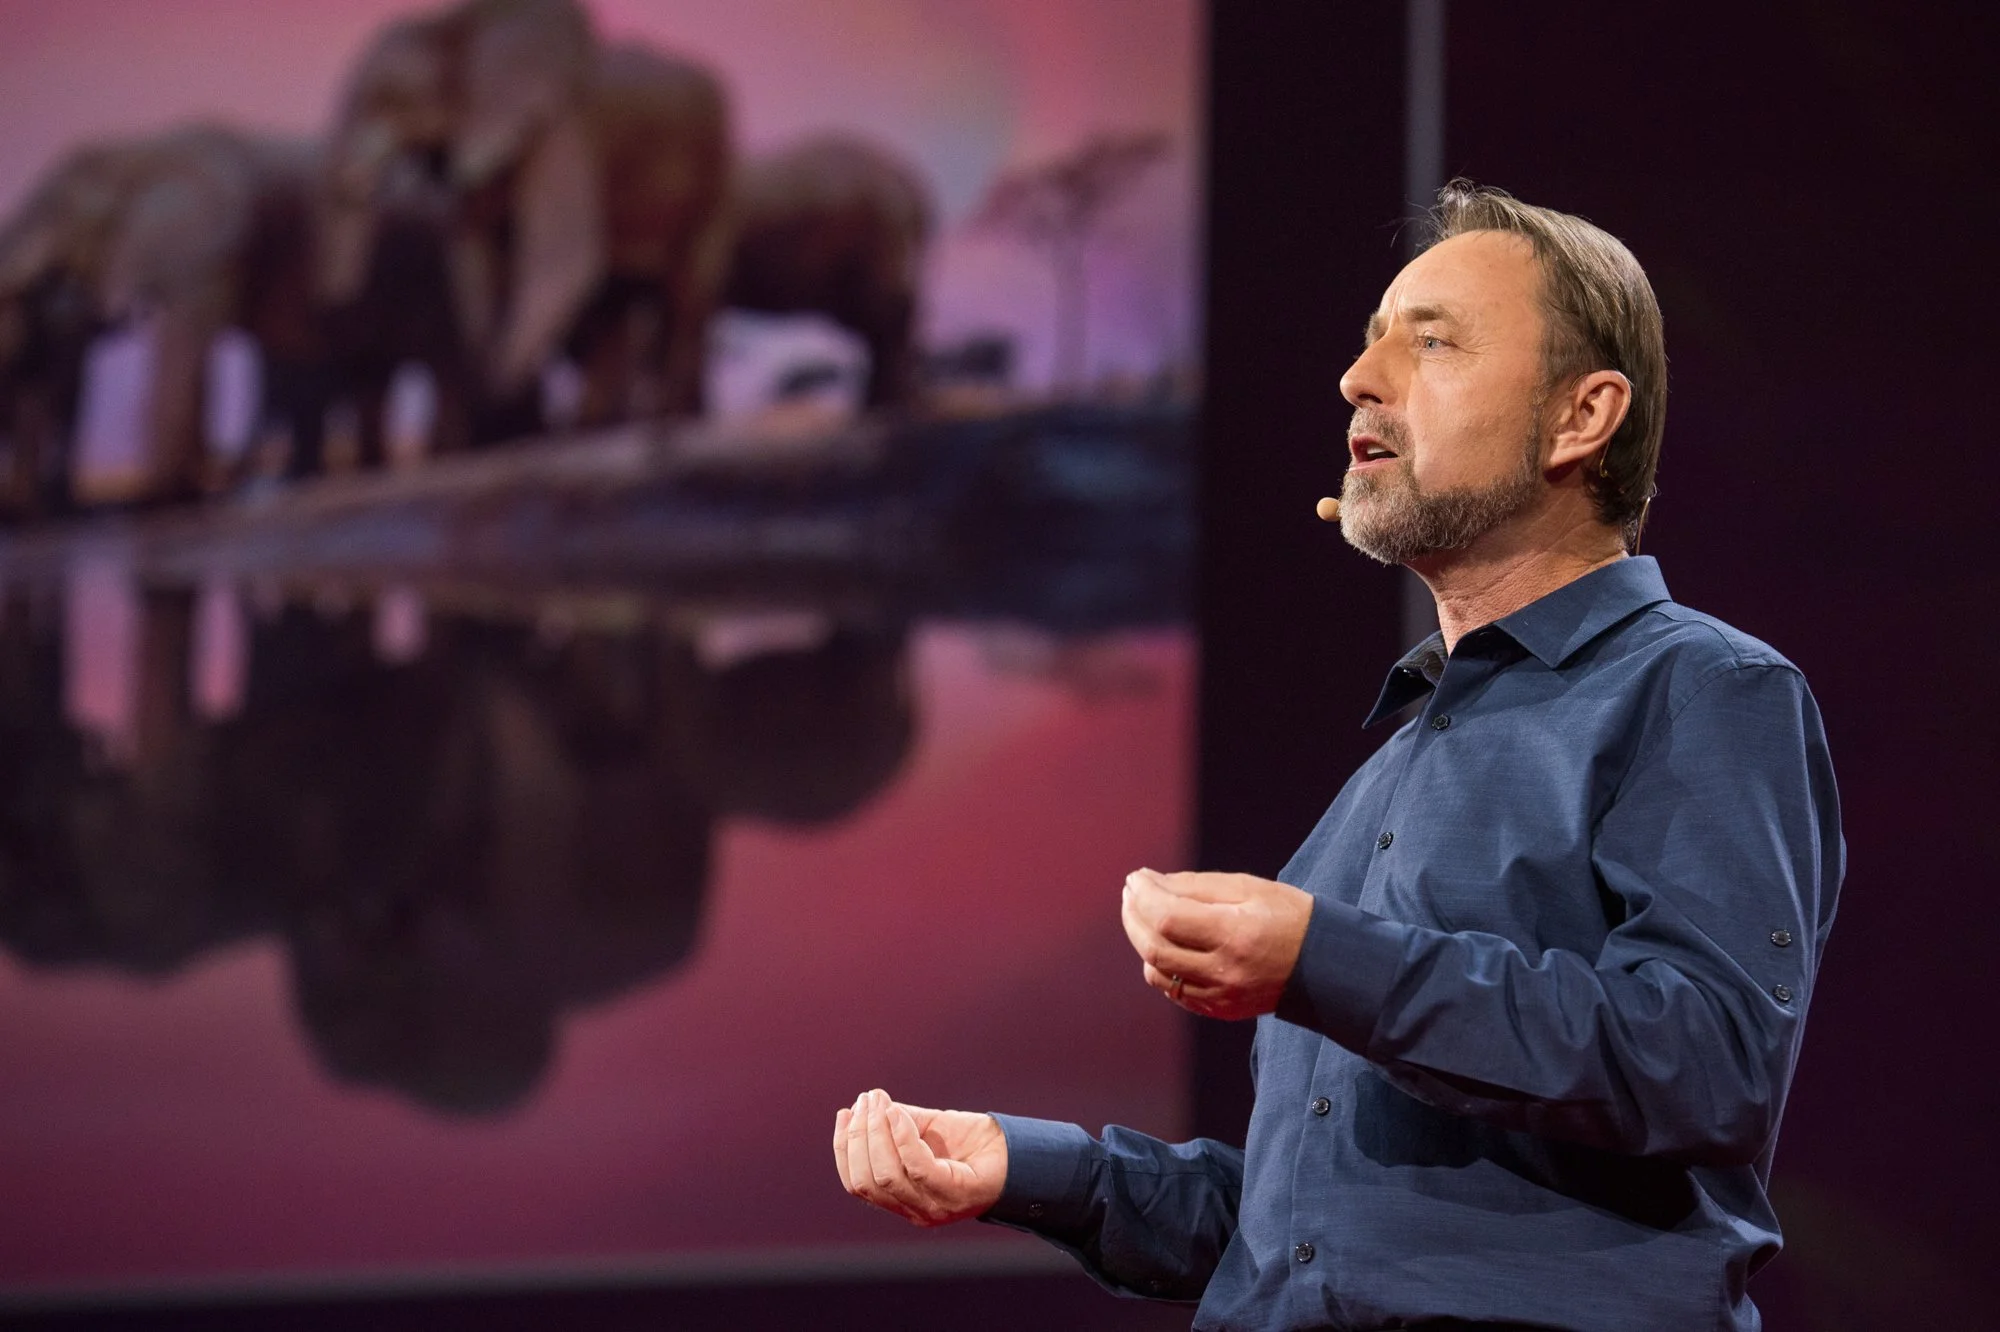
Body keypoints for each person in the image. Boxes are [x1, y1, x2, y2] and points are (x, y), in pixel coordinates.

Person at [831, 181, 1843, 1331]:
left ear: (1580, 418)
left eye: (1431, 342)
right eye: (1368, 345)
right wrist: (1030, 1168)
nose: (1359, 380)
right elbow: (1301, 1229)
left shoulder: (1701, 691)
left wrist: (1323, 959)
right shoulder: (1379, 781)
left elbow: (1700, 1061)